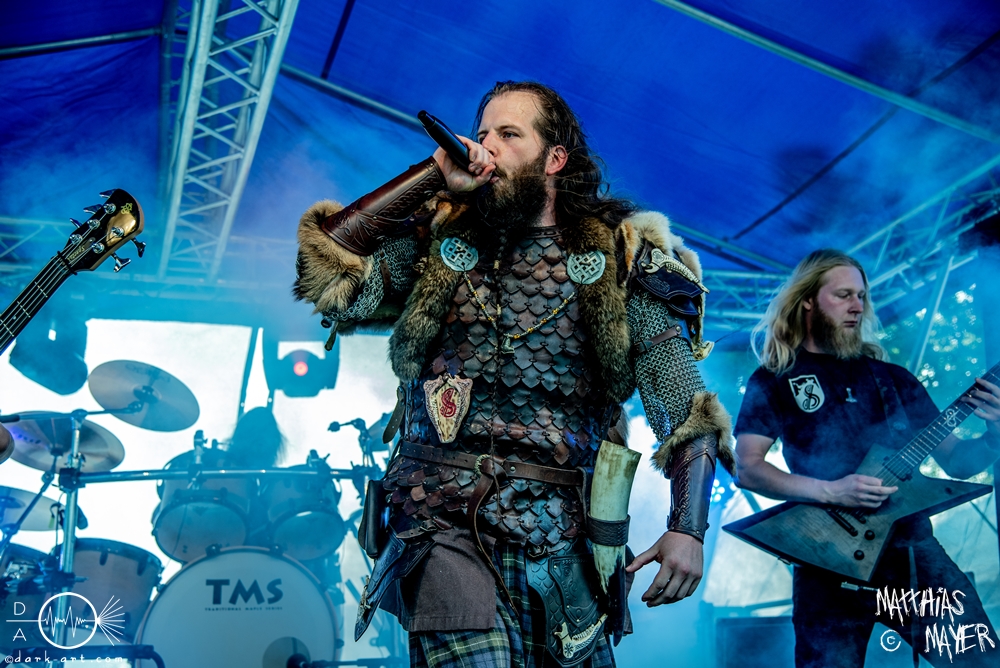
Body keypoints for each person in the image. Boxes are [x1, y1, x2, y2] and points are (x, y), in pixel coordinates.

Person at [294, 81, 735, 667]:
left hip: (566, 539)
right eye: (482, 134)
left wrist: (688, 528)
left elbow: (687, 410)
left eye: (508, 135)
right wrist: (430, 177)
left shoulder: (624, 257)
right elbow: (328, 277)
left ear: (554, 159)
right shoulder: (436, 236)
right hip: (439, 520)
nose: (487, 148)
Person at [734, 249, 1000, 668]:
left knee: (980, 661)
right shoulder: (774, 378)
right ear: (808, 300)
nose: (857, 306)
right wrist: (832, 491)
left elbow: (958, 462)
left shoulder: (894, 380)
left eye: (861, 296)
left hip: (912, 556)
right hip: (827, 561)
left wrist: (995, 434)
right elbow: (748, 467)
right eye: (843, 295)